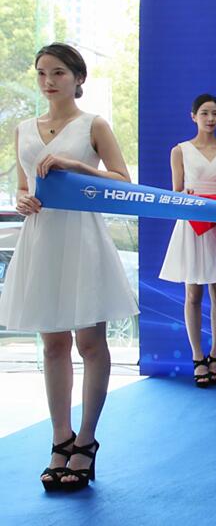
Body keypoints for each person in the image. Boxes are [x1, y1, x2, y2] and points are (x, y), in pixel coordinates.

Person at [0, 43, 139, 492]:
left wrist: (77, 166)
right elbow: (25, 186)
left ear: (78, 78)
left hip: (82, 238)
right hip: (42, 239)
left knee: (90, 343)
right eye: (42, 73)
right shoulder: (23, 129)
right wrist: (22, 199)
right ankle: (59, 438)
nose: (48, 81)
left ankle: (86, 440)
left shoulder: (93, 124)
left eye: (58, 72)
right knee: (52, 344)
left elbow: (123, 181)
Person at [159, 93, 216, 387]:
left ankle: (215, 355)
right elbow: (175, 192)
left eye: (215, 113)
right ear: (193, 116)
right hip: (192, 225)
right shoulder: (180, 151)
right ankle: (198, 357)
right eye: (205, 113)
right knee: (192, 293)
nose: (210, 119)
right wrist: (185, 198)